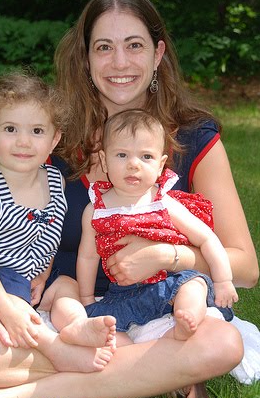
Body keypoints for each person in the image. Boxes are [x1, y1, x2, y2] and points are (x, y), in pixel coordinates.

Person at [0, 0, 257, 398]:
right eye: (104, 48)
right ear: (85, 58)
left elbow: (246, 267)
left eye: (134, 46)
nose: (119, 63)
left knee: (221, 344)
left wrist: (169, 255)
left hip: (149, 310)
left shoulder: (194, 138)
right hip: (53, 312)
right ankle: (150, 375)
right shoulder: (49, 132)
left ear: (158, 54)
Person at [0, 72, 117, 373]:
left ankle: (75, 326)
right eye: (10, 129)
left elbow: (49, 233)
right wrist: (5, 309)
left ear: (54, 138)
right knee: (12, 304)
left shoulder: (55, 180)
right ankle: (54, 349)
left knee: (66, 286)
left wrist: (44, 274)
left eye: (37, 131)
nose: (23, 141)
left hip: (29, 277)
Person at [77, 109, 238, 344]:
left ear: (161, 164)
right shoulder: (96, 210)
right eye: (122, 155)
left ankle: (187, 319)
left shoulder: (162, 201)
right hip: (125, 292)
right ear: (104, 160)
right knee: (107, 330)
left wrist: (223, 280)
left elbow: (207, 238)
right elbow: (87, 257)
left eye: (146, 157)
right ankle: (141, 353)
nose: (133, 165)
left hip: (171, 281)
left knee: (193, 285)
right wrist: (86, 299)